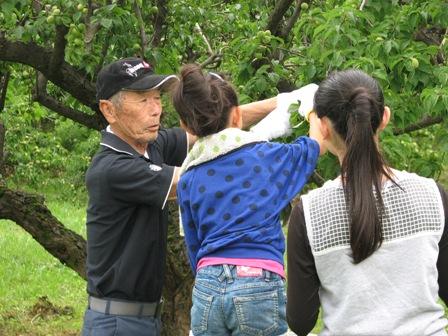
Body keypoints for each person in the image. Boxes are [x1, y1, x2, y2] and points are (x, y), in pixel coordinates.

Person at [82, 57, 280, 336]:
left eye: (157, 98)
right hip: (117, 323)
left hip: (146, 319)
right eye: (142, 101)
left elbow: (216, 123)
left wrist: (282, 103)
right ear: (109, 110)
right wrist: (271, 150)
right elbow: (199, 181)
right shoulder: (112, 168)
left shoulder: (151, 145)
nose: (156, 110)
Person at [286, 69, 448, 336]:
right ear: (384, 117)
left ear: (323, 128)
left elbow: (300, 322)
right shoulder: (432, 195)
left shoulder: (309, 213)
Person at [171, 64, 325, 336]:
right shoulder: (264, 157)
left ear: (185, 125)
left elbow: (193, 244)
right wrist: (311, 111)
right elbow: (313, 148)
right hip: (257, 277)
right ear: (238, 115)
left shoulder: (188, 176)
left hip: (207, 284)